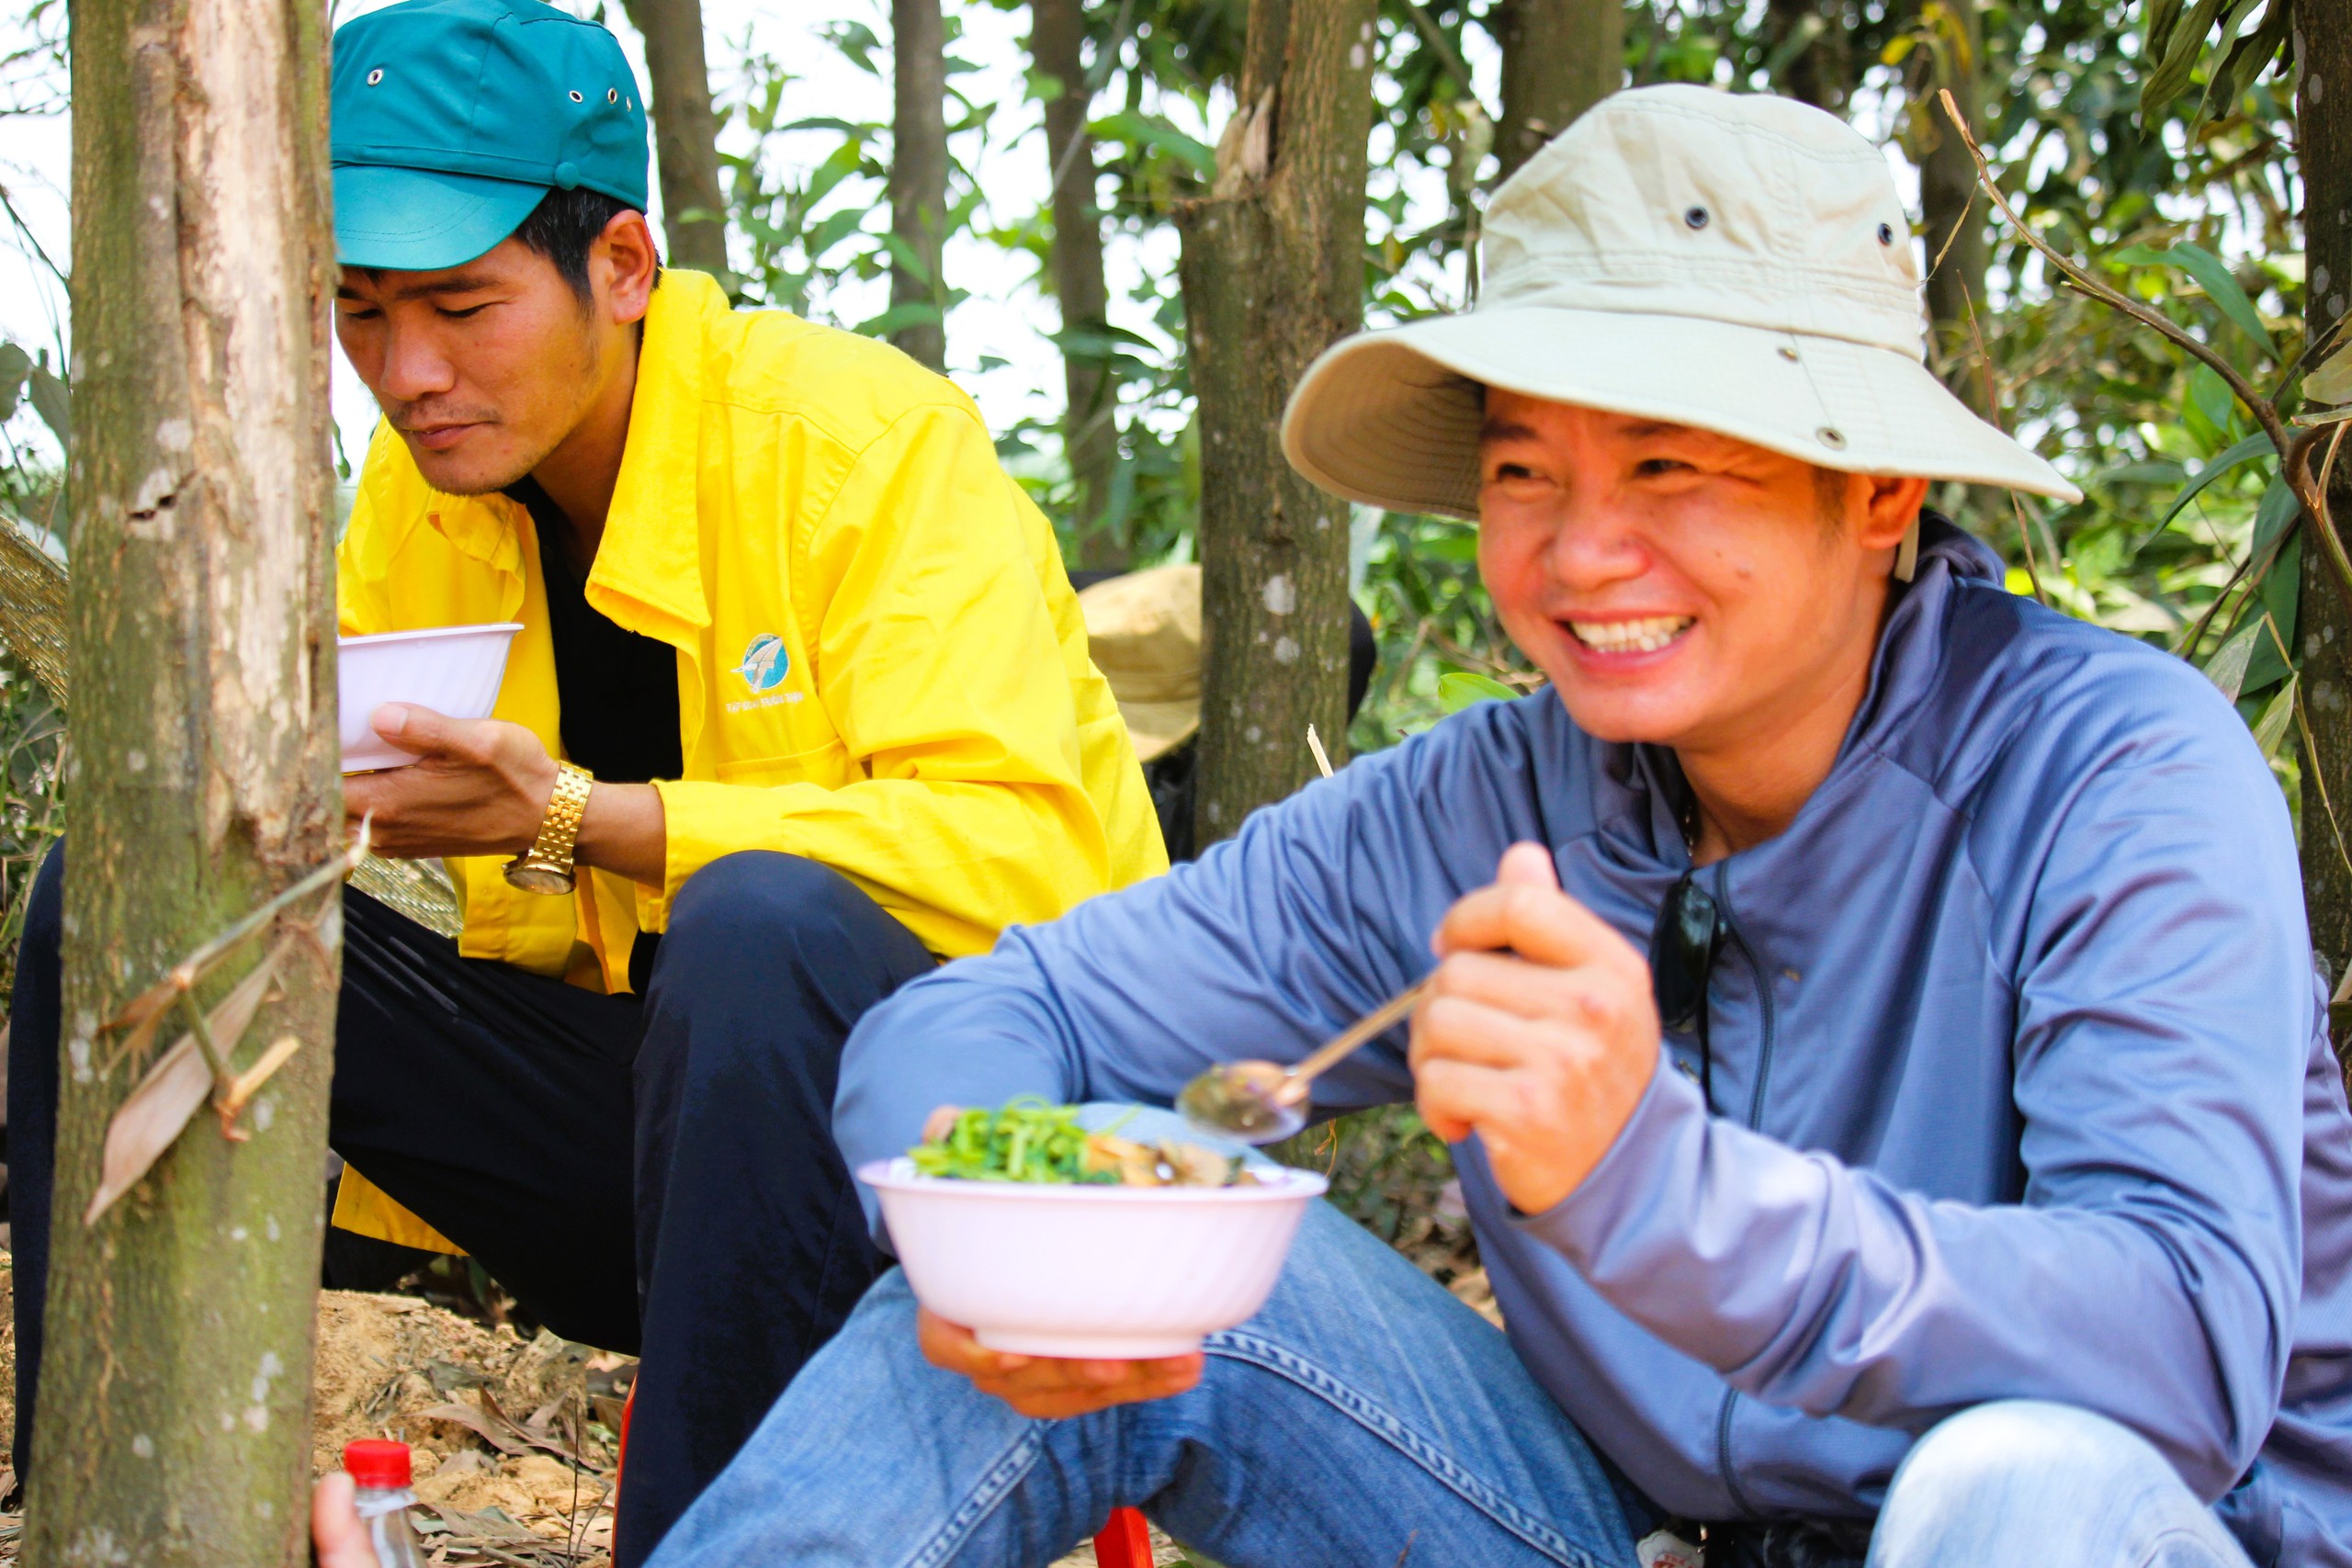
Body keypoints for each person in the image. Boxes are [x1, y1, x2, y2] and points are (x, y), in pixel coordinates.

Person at [639, 86, 2352, 1568]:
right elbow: (1011, 1012)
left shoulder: (2112, 772)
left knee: (2011, 1487)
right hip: (1633, 1535)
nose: (1580, 552)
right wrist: (1002, 1220)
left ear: (1878, 494)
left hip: (2118, 1530)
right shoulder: (1493, 806)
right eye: (1527, 470)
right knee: (1071, 1217)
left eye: (1673, 468)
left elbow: (2185, 1347)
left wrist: (1657, 1189)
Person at [6, 0, 1162, 1558]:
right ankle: (96, 1499)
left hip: (968, 1168)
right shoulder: (416, 507)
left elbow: (1026, 854)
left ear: (621, 268)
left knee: (757, 929)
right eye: (358, 313)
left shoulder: (863, 445)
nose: (405, 374)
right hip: (671, 1168)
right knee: (123, 895)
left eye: (463, 309)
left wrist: (576, 816)